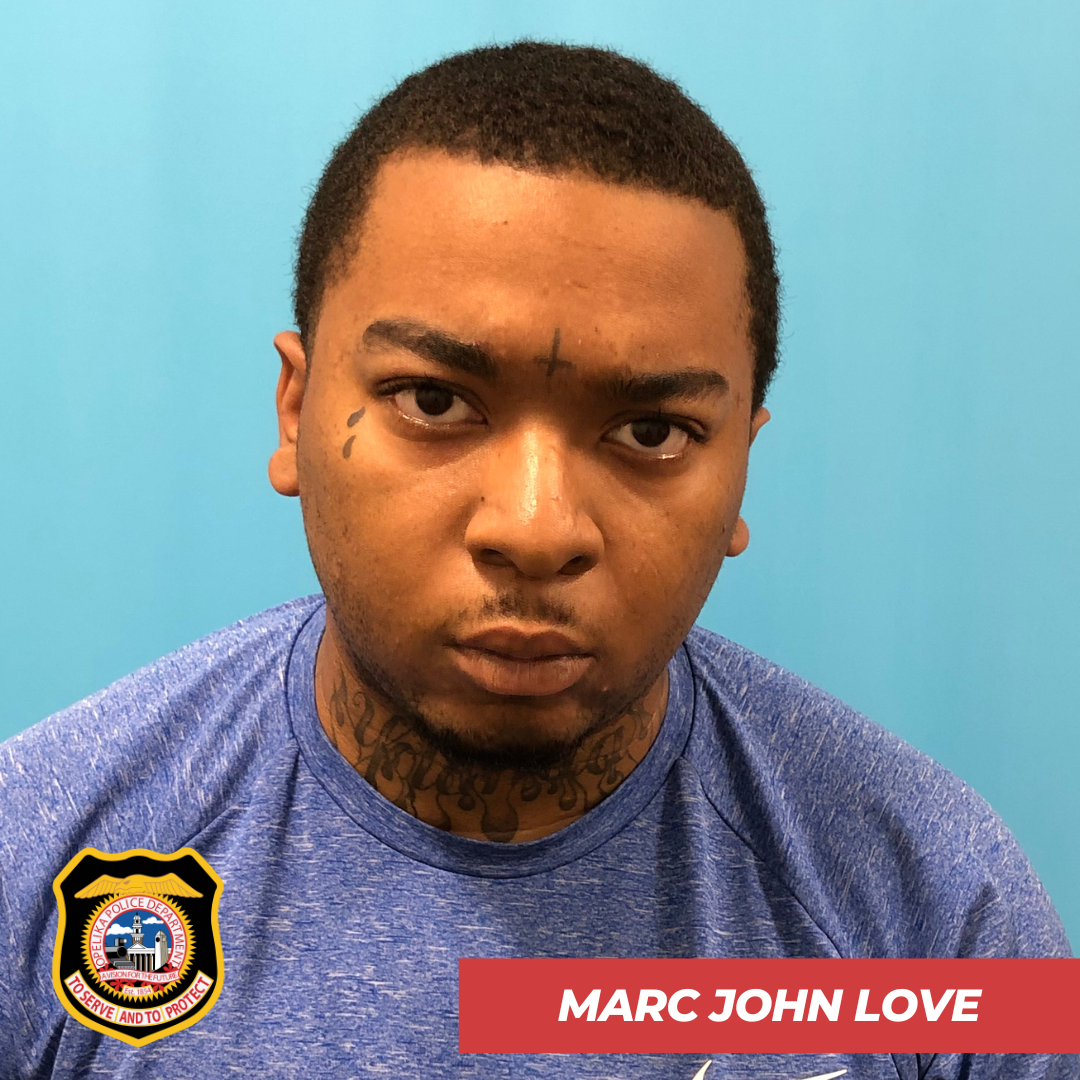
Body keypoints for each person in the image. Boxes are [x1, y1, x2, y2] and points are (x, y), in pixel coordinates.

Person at [0, 41, 1072, 1080]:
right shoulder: (36, 854)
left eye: (650, 431)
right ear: (295, 411)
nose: (536, 528)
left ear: (742, 465)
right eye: (434, 401)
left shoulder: (944, 913)